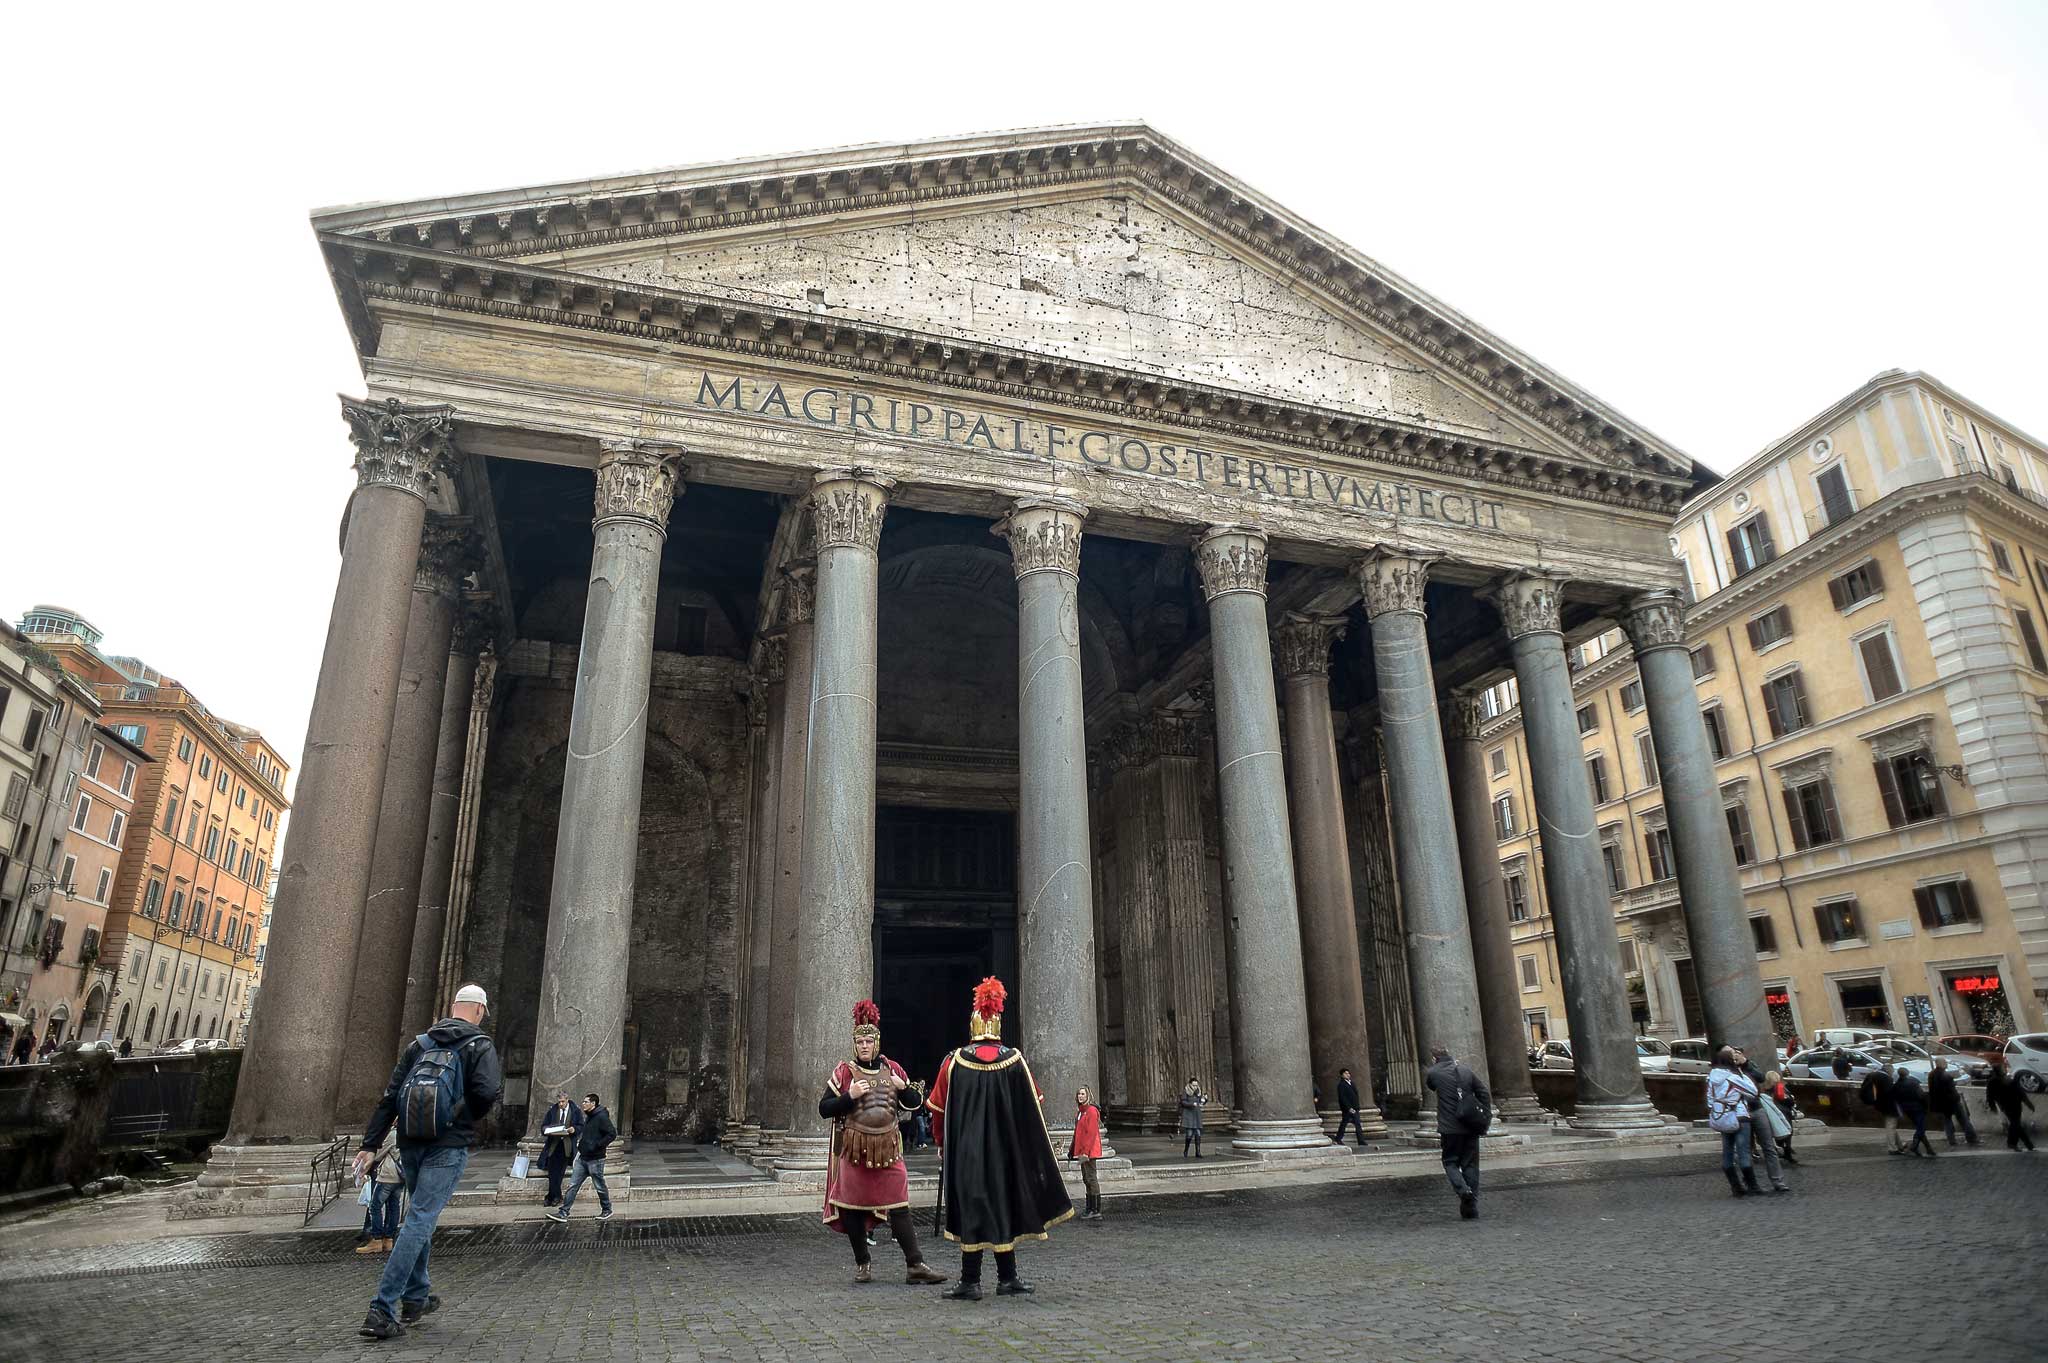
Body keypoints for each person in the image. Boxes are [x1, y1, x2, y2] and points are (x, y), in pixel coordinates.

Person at [352, 981, 503, 1341]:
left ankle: (416, 1297)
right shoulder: (479, 1044)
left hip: (411, 1141)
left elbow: (390, 1098)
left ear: (453, 1006)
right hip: (447, 1143)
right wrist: (461, 1116)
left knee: (418, 1215)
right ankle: (382, 1308)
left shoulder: (420, 1044)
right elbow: (486, 1092)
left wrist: (370, 1144)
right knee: (420, 1220)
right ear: (480, 1010)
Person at [926, 977, 1072, 1300]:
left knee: (973, 1211)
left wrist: (940, 1143)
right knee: (1005, 1205)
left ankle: (971, 1281)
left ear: (974, 1023)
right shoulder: (1015, 1060)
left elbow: (937, 1107)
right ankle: (1007, 1277)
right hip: (1007, 1150)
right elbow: (1035, 1102)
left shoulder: (954, 1062)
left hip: (967, 1152)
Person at [812, 1000, 944, 1285]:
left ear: (877, 1043)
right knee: (850, 1207)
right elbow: (824, 1108)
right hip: (854, 1149)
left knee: (899, 1205)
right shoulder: (844, 1073)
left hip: (888, 1149)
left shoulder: (892, 1069)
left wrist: (903, 1088)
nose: (864, 1046)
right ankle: (863, 1263)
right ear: (854, 1044)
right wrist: (849, 1097)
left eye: (868, 1041)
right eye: (859, 1041)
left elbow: (915, 1103)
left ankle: (915, 1264)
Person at [1422, 1044, 1492, 1219]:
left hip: (1449, 1127)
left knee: (1450, 1162)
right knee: (1470, 1165)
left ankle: (1463, 1191)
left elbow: (1431, 1086)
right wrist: (1484, 1114)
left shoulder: (1433, 1073)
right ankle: (1471, 1207)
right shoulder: (1465, 1071)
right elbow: (1483, 1093)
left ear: (1434, 1058)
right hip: (1470, 1125)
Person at [546, 1093, 618, 1222]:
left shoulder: (601, 1117)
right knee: (573, 1185)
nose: (583, 1104)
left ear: (593, 1104)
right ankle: (564, 1212)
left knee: (600, 1186)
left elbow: (612, 1134)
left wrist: (597, 1146)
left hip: (596, 1159)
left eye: (586, 1102)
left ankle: (607, 1209)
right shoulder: (589, 1116)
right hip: (583, 1157)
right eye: (583, 1101)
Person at [1707, 1046, 1763, 1198]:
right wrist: (1741, 1073)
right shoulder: (1733, 1078)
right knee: (1743, 1151)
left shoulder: (1711, 1078)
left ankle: (1735, 1187)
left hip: (1722, 1117)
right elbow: (1753, 1092)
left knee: (1727, 1152)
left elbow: (1710, 1101)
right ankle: (1753, 1186)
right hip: (1739, 1116)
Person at [1732, 1048, 1789, 1193]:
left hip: (1756, 1108)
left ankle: (1778, 1181)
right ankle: (1751, 1183)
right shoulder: (1728, 1070)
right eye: (1733, 1054)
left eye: (1738, 1053)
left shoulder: (1750, 1066)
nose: (1736, 1056)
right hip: (1740, 1112)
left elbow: (1761, 1078)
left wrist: (1745, 1064)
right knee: (1744, 1149)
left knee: (1769, 1146)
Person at [356, 1126, 404, 1255]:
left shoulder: (393, 1134)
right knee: (393, 1207)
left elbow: (377, 1155)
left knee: (375, 1206)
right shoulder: (408, 1131)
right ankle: (389, 1239)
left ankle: (376, 1240)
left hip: (388, 1175)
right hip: (401, 1176)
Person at [537, 1091, 582, 1206]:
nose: (561, 1104)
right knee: (552, 1172)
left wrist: (574, 1129)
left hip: (566, 1146)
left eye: (563, 1102)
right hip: (553, 1145)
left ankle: (551, 1197)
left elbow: (581, 1126)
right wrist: (547, 1130)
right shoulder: (553, 1111)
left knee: (560, 1172)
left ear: (567, 1100)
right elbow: (544, 1126)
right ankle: (555, 1196)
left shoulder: (575, 1111)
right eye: (559, 1102)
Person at [1984, 1059, 2036, 1152]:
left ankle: (2028, 1145)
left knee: (2016, 1124)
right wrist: (2028, 1104)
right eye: (2003, 1068)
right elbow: (2021, 1093)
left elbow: (1989, 1096)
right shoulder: (2007, 1080)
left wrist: (1993, 1106)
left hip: (2006, 1105)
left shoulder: (1993, 1082)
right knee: (2015, 1124)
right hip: (2014, 1105)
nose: (2005, 1069)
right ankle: (2013, 1143)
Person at [1069, 1087, 1103, 1221]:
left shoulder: (1092, 1111)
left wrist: (1085, 1152)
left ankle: (1095, 1210)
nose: (1080, 1096)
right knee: (1086, 1179)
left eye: (1083, 1094)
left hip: (1089, 1151)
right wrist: (1072, 1150)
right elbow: (1077, 1133)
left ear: (1088, 1095)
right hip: (1082, 1150)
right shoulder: (1081, 1112)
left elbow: (1091, 1134)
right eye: (1078, 1094)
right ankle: (1089, 1208)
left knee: (1091, 1178)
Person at [1927, 1059, 1977, 1147]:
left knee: (1947, 1122)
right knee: (1964, 1119)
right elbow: (1951, 1090)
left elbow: (1932, 1091)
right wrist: (1957, 1097)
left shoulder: (1931, 1075)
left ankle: (1952, 1140)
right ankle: (1971, 1138)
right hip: (1952, 1102)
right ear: (1940, 1064)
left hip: (1941, 1104)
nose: (1946, 1064)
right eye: (1945, 1063)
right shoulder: (1945, 1076)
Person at [1893, 1066, 1936, 1158]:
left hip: (1907, 1109)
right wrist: (1926, 1106)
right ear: (1907, 1073)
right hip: (1918, 1108)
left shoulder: (1896, 1085)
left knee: (1920, 1127)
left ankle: (1929, 1149)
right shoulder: (1913, 1082)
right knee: (1921, 1128)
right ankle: (1914, 1145)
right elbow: (1921, 1096)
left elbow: (1896, 1099)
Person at [1858, 1064, 1903, 1154]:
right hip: (1889, 1106)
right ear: (1889, 1070)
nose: (1892, 1073)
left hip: (1879, 1104)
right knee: (1891, 1126)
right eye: (1892, 1071)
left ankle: (1900, 1145)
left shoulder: (1872, 1075)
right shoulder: (1887, 1079)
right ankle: (1892, 1148)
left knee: (1891, 1125)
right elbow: (1890, 1094)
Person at [1334, 1067, 1366, 1146]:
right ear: (1342, 1075)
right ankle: (1338, 1138)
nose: (1348, 1075)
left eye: (1348, 1073)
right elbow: (1342, 1097)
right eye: (1345, 1073)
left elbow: (1355, 1095)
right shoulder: (1341, 1085)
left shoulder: (1352, 1083)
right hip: (1347, 1109)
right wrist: (1349, 1108)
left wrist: (1356, 1106)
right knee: (1344, 1123)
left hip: (1355, 1108)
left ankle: (1361, 1141)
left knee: (1357, 1124)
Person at [1179, 1079, 1207, 1158]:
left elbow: (1201, 1101)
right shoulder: (1186, 1091)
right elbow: (1183, 1102)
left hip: (1196, 1114)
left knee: (1198, 1133)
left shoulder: (1198, 1091)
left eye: (1196, 1085)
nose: (1195, 1087)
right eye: (1194, 1085)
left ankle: (1198, 1152)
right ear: (1190, 1084)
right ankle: (1186, 1150)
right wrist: (1191, 1104)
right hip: (1189, 1114)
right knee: (1189, 1134)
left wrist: (1204, 1100)